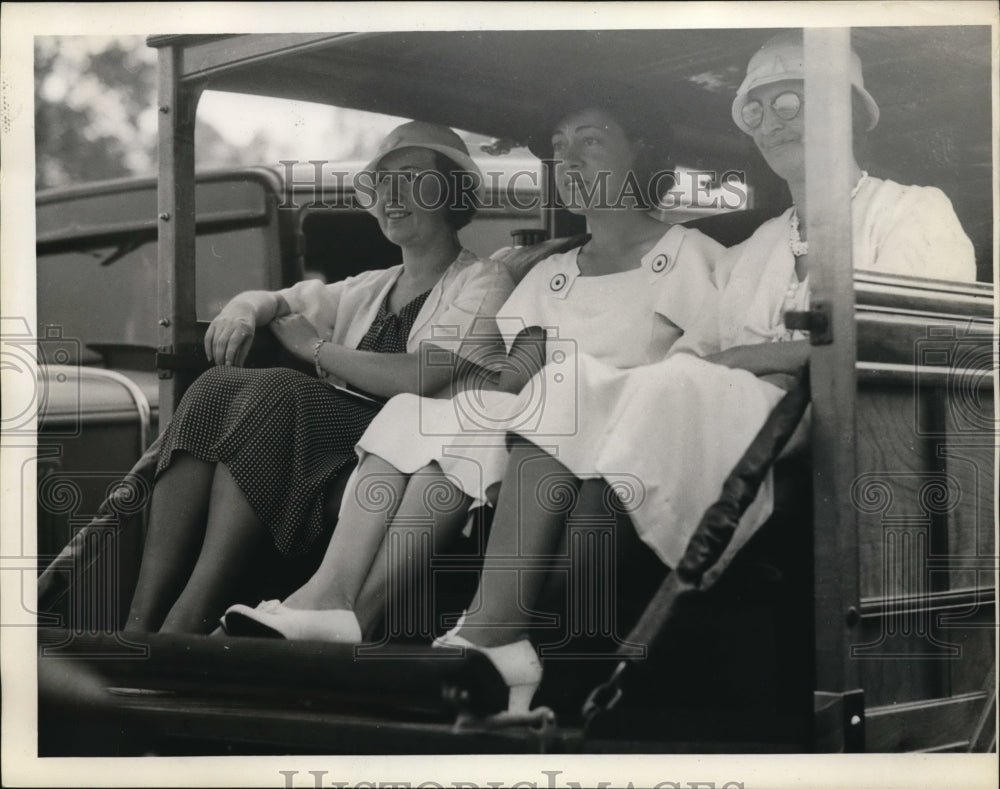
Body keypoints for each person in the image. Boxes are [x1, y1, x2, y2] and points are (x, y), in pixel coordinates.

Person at [410, 31, 976, 712]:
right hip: (743, 419)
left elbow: (912, 344)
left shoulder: (914, 211)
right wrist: (740, 361)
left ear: (850, 109)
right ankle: (493, 629)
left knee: (667, 387)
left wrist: (756, 356)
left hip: (862, 431)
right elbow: (707, 358)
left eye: (792, 99)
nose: (774, 121)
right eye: (757, 109)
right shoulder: (760, 245)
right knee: (566, 381)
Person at [221, 102, 726, 669]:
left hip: (621, 435)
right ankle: (329, 600)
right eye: (560, 148)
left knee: (507, 404)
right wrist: (462, 391)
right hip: (539, 429)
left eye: (590, 142)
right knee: (417, 409)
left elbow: (694, 380)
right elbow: (515, 378)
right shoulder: (551, 272)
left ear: (644, 151)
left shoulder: (694, 257)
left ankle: (350, 614)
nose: (569, 161)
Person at [124, 121, 516, 634]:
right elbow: (279, 301)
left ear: (452, 191)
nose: (393, 196)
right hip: (324, 439)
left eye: (413, 179)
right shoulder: (371, 286)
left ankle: (186, 617)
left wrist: (316, 349)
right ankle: (139, 620)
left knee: (278, 391)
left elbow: (420, 375)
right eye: (383, 183)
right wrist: (243, 310)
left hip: (406, 453)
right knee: (216, 386)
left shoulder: (484, 280)